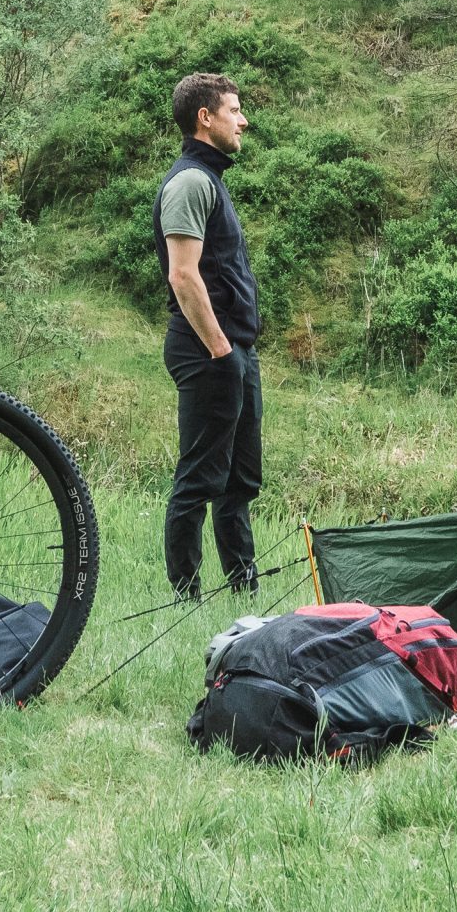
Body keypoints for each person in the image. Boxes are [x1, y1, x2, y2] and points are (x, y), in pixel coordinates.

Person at [153, 72, 261, 602]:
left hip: (234, 349)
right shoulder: (191, 182)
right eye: (234, 110)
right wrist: (220, 350)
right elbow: (183, 274)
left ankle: (244, 588)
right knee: (200, 477)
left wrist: (236, 350)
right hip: (207, 350)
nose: (243, 121)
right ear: (206, 117)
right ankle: (185, 597)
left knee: (240, 480)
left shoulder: (212, 181)